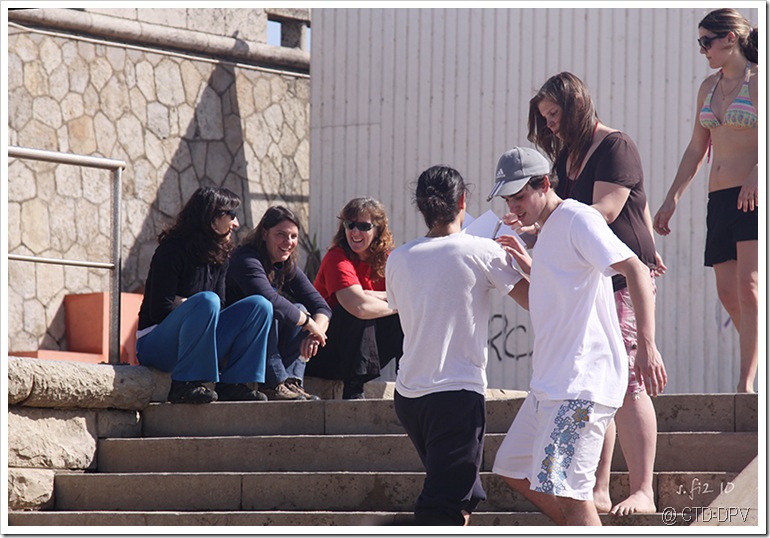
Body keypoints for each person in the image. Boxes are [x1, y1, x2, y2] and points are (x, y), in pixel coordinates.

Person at [490, 146, 667, 526]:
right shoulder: (549, 230)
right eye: (508, 199)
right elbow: (555, 295)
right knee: (512, 467)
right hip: (548, 386)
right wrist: (517, 270)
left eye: (520, 196)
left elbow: (636, 269)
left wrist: (647, 346)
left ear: (543, 184)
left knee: (568, 492)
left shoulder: (576, 218)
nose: (514, 207)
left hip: (579, 386)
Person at [526, 71, 665, 516]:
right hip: (593, 280)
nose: (550, 124)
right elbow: (570, 221)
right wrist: (532, 229)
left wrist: (544, 225)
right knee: (596, 383)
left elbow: (606, 211)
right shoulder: (569, 156)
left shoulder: (614, 146)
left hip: (624, 277)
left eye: (554, 114)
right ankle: (599, 487)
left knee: (629, 382)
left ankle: (642, 488)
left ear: (576, 106)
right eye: (544, 117)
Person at [386, 165, 528, 525]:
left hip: (409, 396)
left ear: (421, 207)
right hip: (455, 394)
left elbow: (399, 305)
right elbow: (535, 299)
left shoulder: (398, 257)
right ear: (463, 200)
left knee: (458, 497)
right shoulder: (480, 249)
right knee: (444, 506)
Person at [653, 8, 758, 394]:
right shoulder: (707, 88)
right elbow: (697, 148)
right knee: (728, 292)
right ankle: (757, 352)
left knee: (749, 286)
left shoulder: (759, 81)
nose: (703, 50)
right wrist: (671, 199)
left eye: (706, 42)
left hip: (753, 196)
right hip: (719, 198)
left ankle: (745, 384)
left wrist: (757, 172)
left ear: (730, 38)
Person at [136, 186, 273, 404]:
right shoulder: (171, 250)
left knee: (260, 305)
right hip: (155, 344)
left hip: (198, 339)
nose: (236, 224)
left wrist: (191, 305)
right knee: (208, 301)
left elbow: (219, 308)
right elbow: (160, 308)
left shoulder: (221, 255)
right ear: (212, 217)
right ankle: (183, 385)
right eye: (232, 216)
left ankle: (233, 384)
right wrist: (197, 306)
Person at [226, 206, 332, 401]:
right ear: (264, 233)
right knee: (271, 309)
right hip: (233, 339)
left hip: (260, 340)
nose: (288, 242)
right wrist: (309, 323)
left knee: (299, 309)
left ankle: (291, 381)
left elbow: (321, 306)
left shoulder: (285, 264)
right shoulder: (246, 258)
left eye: (293, 236)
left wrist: (315, 334)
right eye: (281, 235)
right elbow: (269, 300)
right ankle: (273, 382)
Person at [307, 197, 404, 400]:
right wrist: (396, 302)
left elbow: (412, 294)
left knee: (402, 318)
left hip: (362, 351)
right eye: (350, 225)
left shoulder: (389, 259)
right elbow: (358, 306)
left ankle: (408, 382)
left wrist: (381, 297)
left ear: (378, 229)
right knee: (360, 313)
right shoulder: (336, 257)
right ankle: (353, 390)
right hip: (323, 351)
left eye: (364, 226)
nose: (355, 232)